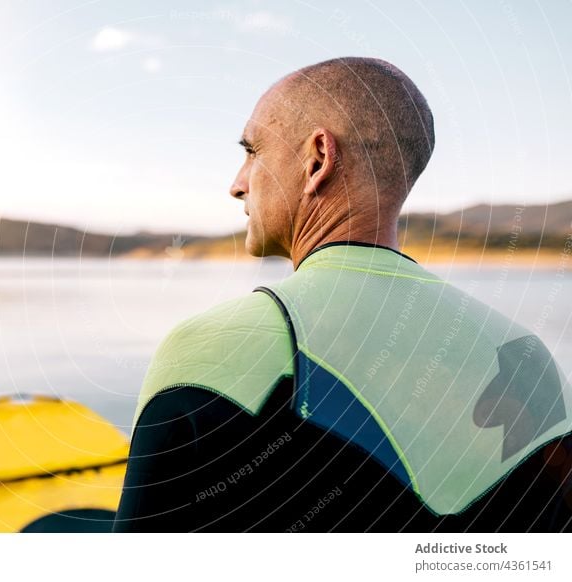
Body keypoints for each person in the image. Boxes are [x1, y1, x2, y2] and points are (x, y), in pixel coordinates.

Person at [111, 57, 572, 532]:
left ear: (317, 160)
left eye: (252, 151)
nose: (237, 184)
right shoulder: (531, 362)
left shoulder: (209, 347)